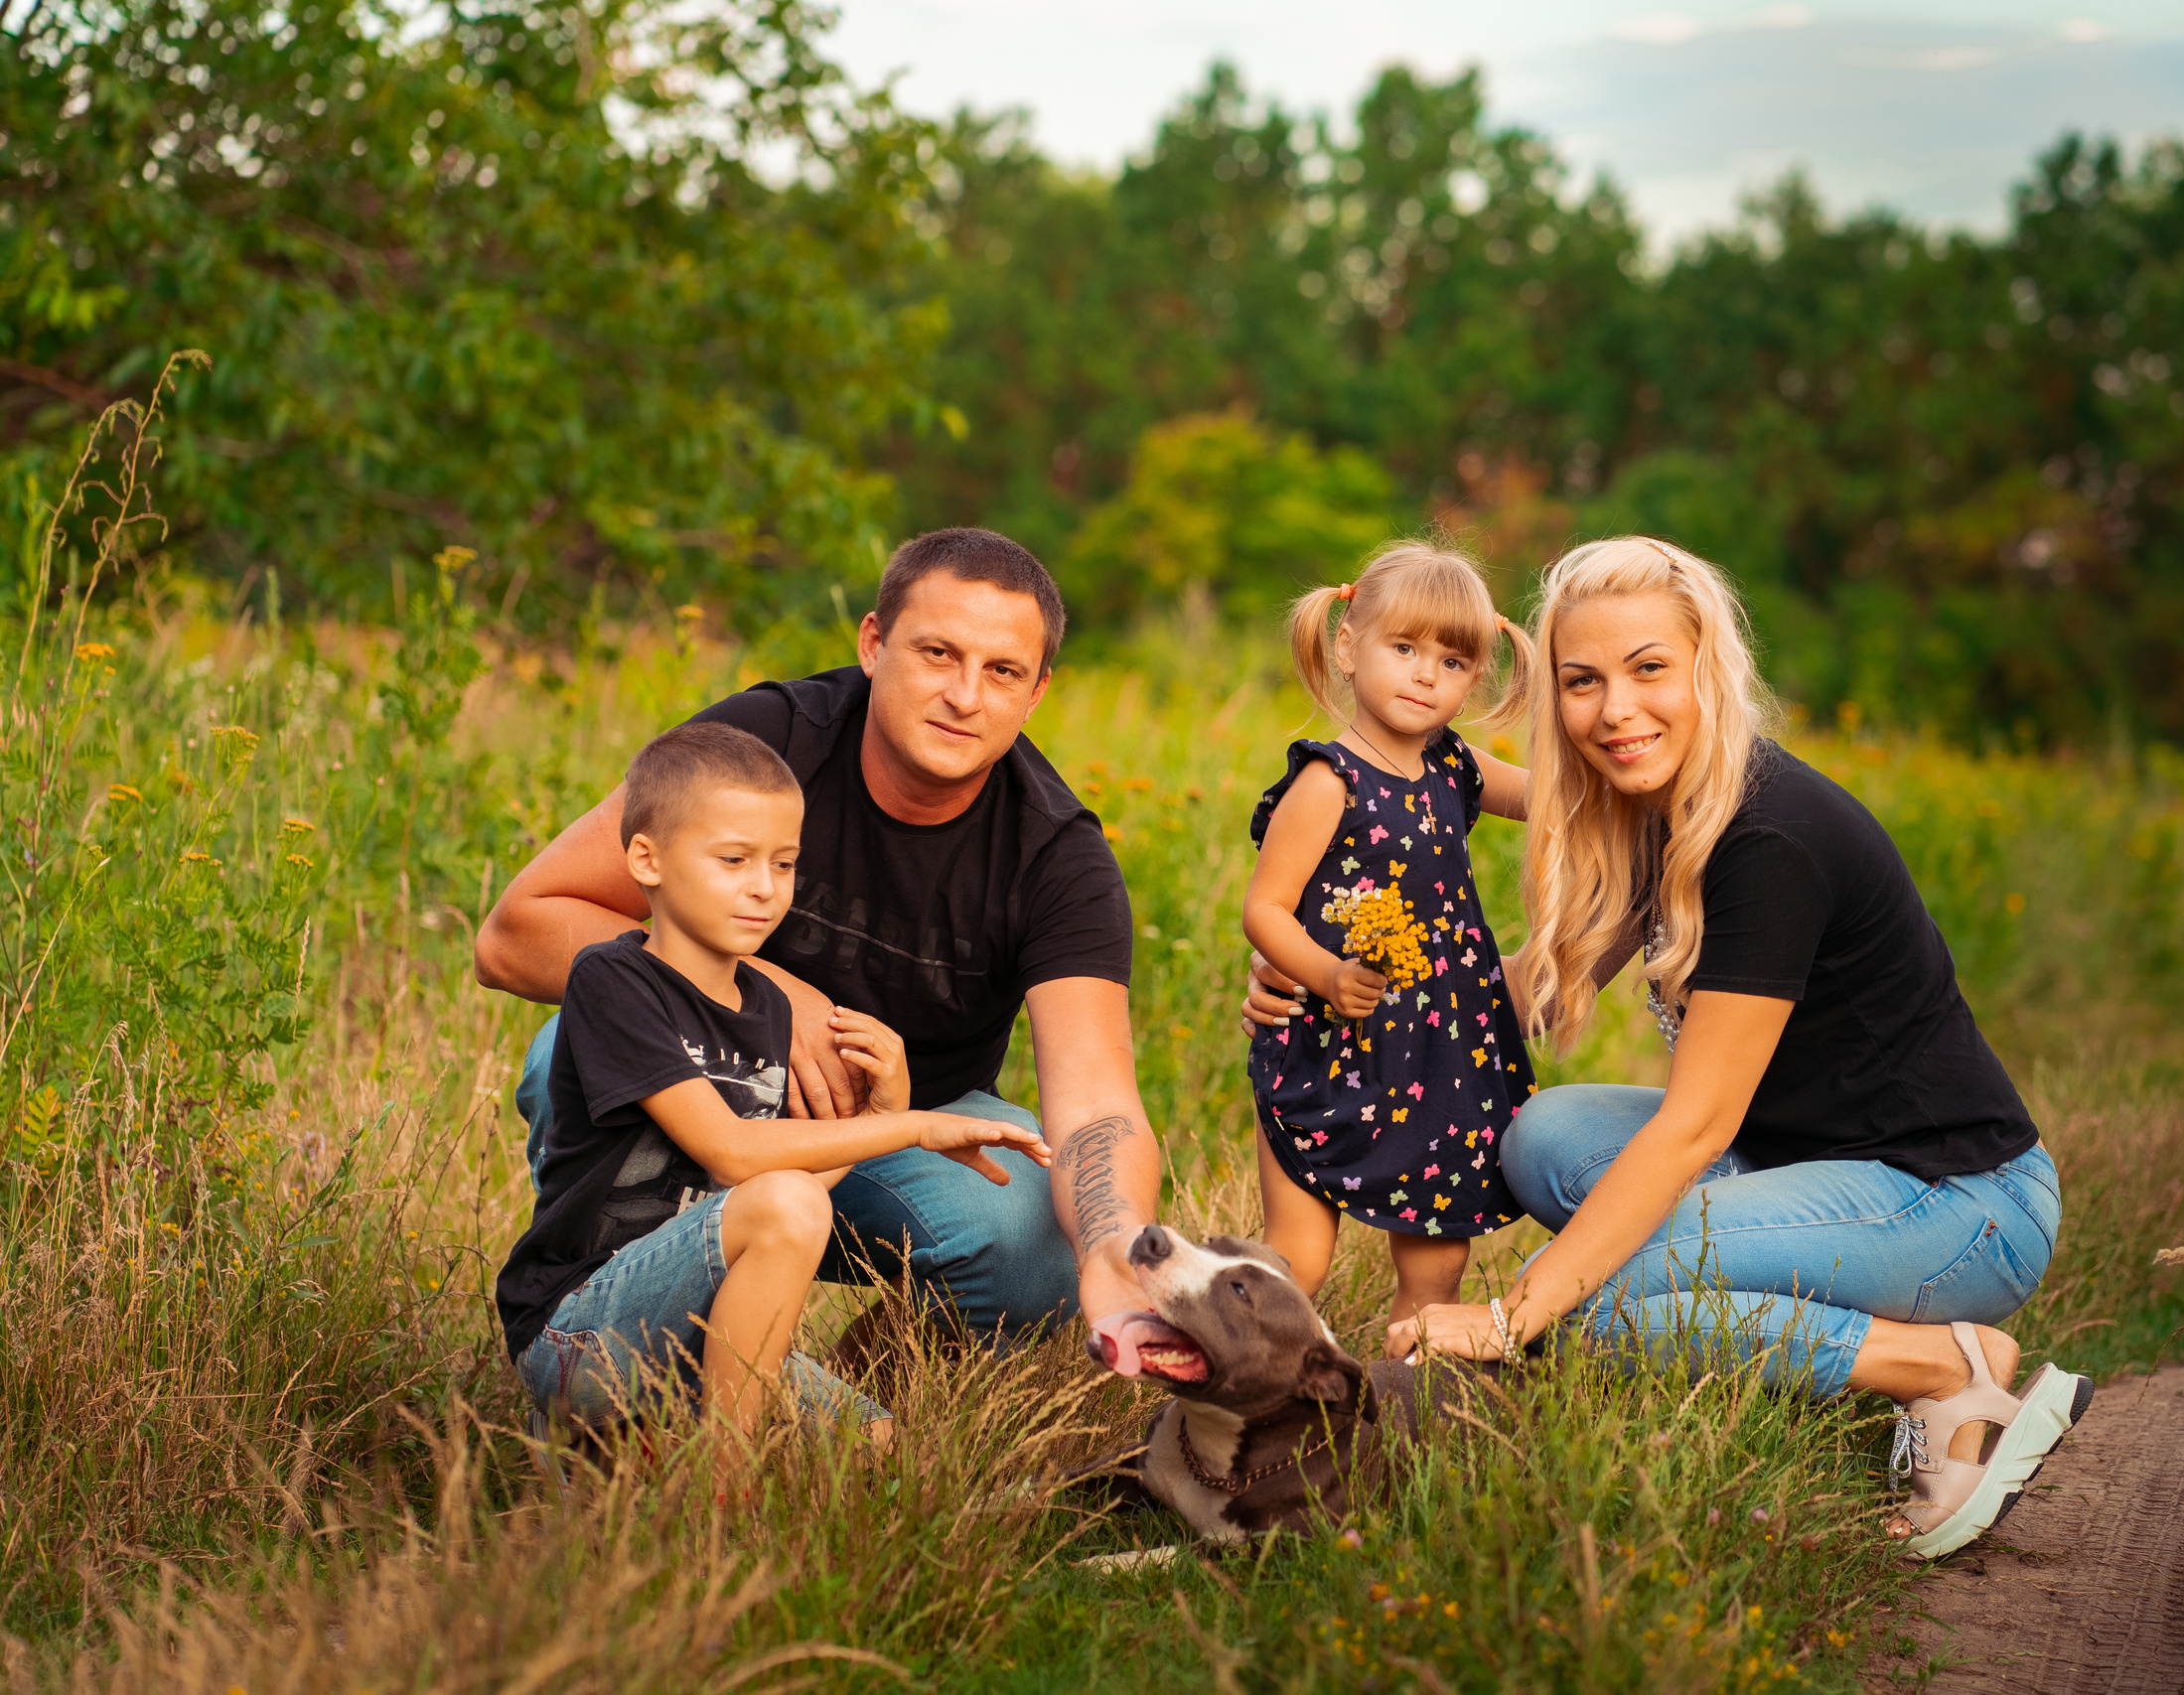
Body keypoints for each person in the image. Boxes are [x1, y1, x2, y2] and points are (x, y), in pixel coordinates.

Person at [1245, 536, 2088, 1560]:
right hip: (1809, 1161)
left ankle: (1944, 1369)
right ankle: (1760, 1304)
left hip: (1957, 1202)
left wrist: (1515, 1314)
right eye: (1582, 681)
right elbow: (1502, 997)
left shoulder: (1768, 838)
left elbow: (1693, 1126)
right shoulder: (1652, 810)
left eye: (1648, 669)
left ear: (1706, 666)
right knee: (1542, 1139)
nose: (1615, 711)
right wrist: (1333, 994)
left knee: (1587, 1314)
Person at [477, 528, 1162, 1358]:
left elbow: (1096, 1103)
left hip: (896, 1128)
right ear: (874, 643)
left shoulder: (1057, 855)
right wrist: (765, 995)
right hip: (695, 1103)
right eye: (938, 653)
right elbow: (518, 931)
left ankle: (850, 1376)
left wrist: (1115, 1248)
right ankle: (613, 1347)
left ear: (1037, 691)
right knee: (565, 1059)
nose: (965, 695)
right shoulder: (773, 740)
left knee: (1038, 1232)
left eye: (1003, 671)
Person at [493, 722, 1051, 1459]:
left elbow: (776, 1188)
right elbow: (727, 1146)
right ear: (645, 858)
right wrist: (911, 1125)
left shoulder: (765, 1008)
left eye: (784, 863)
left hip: (695, 1331)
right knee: (786, 1202)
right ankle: (723, 1498)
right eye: (733, 860)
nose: (764, 887)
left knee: (882, 1448)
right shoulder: (614, 978)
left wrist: (880, 1107)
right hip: (585, 1333)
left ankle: (674, 1435)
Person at [1240, 543, 1535, 1325]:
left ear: (1476, 675)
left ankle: (1405, 1408)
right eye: (1403, 648)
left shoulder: (1455, 765)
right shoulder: (1327, 780)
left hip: (1442, 1052)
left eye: (1453, 659)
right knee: (1296, 1258)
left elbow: (1554, 802)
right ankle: (1233, 1378)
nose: (1425, 674)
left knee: (1439, 1261)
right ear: (1348, 645)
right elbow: (1265, 909)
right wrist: (1327, 975)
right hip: (1334, 1042)